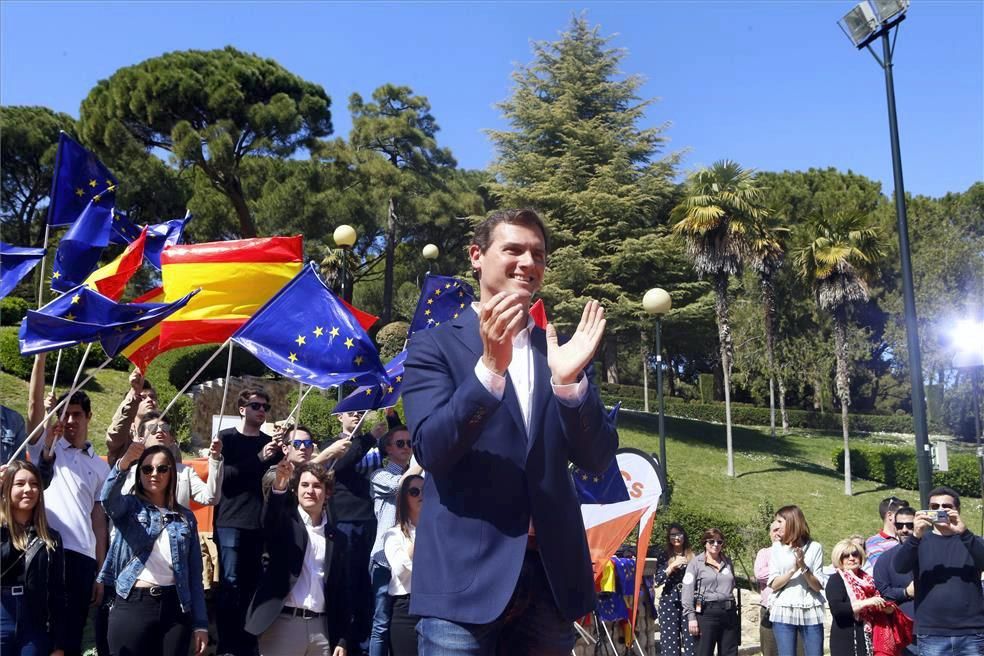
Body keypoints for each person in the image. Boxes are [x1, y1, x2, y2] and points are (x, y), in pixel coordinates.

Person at [402, 208, 617, 655]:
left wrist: (570, 386)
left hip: (551, 582)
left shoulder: (558, 351)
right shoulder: (433, 345)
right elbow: (431, 449)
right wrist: (488, 372)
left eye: (537, 253)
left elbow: (598, 459)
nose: (528, 262)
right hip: (463, 585)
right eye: (513, 249)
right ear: (477, 256)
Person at [26, 353, 109, 656]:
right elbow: (34, 408)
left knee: (70, 641)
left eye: (77, 414)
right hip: (46, 551)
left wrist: (100, 571)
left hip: (83, 559)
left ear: (89, 417)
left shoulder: (102, 469)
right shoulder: (44, 449)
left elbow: (99, 523)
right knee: (42, 636)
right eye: (65, 414)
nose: (71, 421)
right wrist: (42, 356)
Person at [99, 443, 208, 656]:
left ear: (172, 473)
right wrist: (123, 464)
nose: (154, 473)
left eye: (162, 468)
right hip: (133, 603)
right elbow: (107, 499)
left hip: (175, 607)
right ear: (139, 474)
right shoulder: (129, 507)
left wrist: (201, 624)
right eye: (147, 469)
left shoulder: (186, 518)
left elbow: (195, 575)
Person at [245, 461, 352, 656]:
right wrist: (279, 485)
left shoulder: (338, 538)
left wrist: (342, 638)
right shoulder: (285, 524)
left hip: (323, 629)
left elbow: (342, 590)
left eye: (317, 486)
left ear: (327, 493)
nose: (310, 491)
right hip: (283, 624)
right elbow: (270, 518)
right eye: (304, 485)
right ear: (295, 490)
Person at [213, 388, 283, 656]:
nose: (262, 410)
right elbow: (225, 479)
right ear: (242, 409)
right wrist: (258, 459)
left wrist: (281, 450)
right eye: (256, 405)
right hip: (230, 520)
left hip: (258, 523)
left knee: (251, 584)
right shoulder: (226, 438)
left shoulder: (269, 443)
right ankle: (226, 646)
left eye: (265, 406)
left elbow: (278, 480)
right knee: (229, 583)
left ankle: (247, 644)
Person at [893, 486, 984, 655]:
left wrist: (963, 533)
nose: (940, 510)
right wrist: (915, 536)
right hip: (932, 632)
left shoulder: (971, 540)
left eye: (946, 507)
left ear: (957, 510)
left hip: (971, 631)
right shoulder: (919, 541)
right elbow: (899, 566)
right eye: (934, 507)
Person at [319, 410, 383, 654]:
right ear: (338, 417)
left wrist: (391, 418)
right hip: (344, 519)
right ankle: (345, 641)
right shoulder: (332, 444)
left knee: (367, 583)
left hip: (371, 519)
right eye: (351, 412)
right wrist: (366, 438)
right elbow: (342, 464)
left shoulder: (374, 443)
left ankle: (367, 642)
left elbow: (396, 447)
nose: (356, 415)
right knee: (346, 582)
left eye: (359, 412)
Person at [0, 460, 68, 655]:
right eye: (20, 484)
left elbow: (57, 591)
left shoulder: (50, 537)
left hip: (34, 619)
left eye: (35, 484)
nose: (29, 489)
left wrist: (58, 643)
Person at [368, 426, 422, 656]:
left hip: (412, 558)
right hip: (383, 559)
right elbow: (402, 486)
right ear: (387, 448)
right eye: (400, 443)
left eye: (410, 443)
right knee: (380, 624)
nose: (407, 448)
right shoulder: (379, 475)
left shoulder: (418, 478)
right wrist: (423, 457)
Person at [826, 538, 911, 656]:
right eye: (846, 556)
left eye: (855, 554)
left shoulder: (869, 580)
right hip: (847, 638)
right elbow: (837, 609)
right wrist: (867, 602)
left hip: (870, 636)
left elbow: (879, 602)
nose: (851, 558)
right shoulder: (836, 580)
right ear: (839, 559)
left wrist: (885, 608)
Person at [120, 411, 224, 507]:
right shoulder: (131, 472)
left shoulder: (185, 473)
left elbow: (210, 498)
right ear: (141, 439)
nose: (160, 431)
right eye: (153, 428)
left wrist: (215, 458)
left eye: (165, 428)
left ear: (171, 439)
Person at [767, 505, 825, 656]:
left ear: (792, 522)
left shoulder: (815, 547)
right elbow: (774, 585)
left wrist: (803, 565)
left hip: (810, 608)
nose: (776, 525)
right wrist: (793, 569)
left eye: (780, 521)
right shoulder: (776, 548)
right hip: (784, 608)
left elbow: (818, 587)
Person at [383, 475, 424, 656]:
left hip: (434, 606)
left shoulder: (440, 531)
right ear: (404, 499)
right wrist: (423, 531)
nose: (422, 495)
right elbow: (400, 569)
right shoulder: (393, 534)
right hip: (405, 608)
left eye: (426, 491)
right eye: (415, 492)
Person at [681, 528, 739, 656]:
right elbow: (687, 591)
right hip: (706, 613)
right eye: (711, 541)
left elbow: (732, 584)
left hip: (729, 612)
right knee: (703, 652)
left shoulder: (727, 562)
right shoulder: (695, 564)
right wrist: (691, 617)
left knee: (730, 652)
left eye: (720, 542)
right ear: (705, 543)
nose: (716, 545)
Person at [873, 507, 916, 654]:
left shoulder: (934, 554)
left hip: (936, 629)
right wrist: (906, 592)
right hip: (903, 632)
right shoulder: (885, 559)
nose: (905, 530)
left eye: (910, 525)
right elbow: (883, 593)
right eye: (900, 525)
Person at [652, 523, 696, 656]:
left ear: (684, 536)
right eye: (673, 535)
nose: (676, 537)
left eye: (679, 534)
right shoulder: (663, 556)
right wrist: (671, 567)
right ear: (668, 537)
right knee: (670, 646)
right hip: (669, 603)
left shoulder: (694, 557)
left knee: (692, 644)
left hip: (689, 604)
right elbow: (657, 581)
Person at [755, 520, 798, 656]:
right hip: (769, 610)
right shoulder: (764, 553)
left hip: (792, 610)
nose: (777, 534)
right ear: (769, 534)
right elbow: (760, 574)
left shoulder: (795, 552)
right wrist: (787, 569)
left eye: (781, 530)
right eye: (774, 530)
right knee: (770, 652)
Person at [105, 369, 159, 468]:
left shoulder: (165, 435)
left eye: (153, 397)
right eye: (142, 397)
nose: (149, 400)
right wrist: (134, 391)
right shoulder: (124, 436)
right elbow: (114, 434)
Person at [865, 497, 910, 572]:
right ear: (890, 515)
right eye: (902, 513)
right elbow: (882, 569)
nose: (907, 517)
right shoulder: (873, 542)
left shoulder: (911, 537)